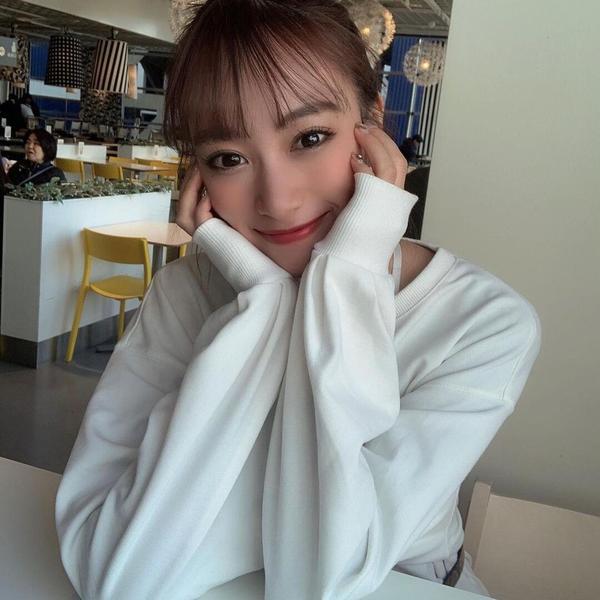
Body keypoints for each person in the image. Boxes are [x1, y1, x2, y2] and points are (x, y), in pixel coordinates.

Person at [55, 1, 541, 599]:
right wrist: (264, 302)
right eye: (228, 158)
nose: (278, 200)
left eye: (310, 137)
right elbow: (116, 575)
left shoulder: (483, 323)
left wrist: (345, 272)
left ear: (372, 124)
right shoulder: (185, 292)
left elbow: (320, 578)